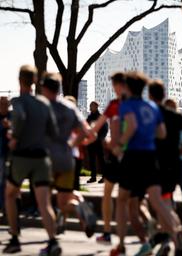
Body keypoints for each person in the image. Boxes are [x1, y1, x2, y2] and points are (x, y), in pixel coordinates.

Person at [110, 72, 182, 256]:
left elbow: (130, 125)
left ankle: (121, 245)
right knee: (159, 201)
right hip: (150, 157)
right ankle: (179, 240)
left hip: (133, 156)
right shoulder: (152, 107)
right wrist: (146, 135)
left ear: (128, 88)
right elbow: (161, 133)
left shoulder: (126, 105)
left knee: (122, 200)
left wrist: (120, 145)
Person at [3, 65, 61, 255]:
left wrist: (15, 136)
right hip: (41, 157)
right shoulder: (44, 103)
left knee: (10, 194)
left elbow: (20, 116)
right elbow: (53, 132)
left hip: (22, 155)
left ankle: (14, 237)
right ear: (35, 81)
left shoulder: (18, 101)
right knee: (44, 203)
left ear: (20, 80)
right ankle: (53, 241)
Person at [134, 80, 182, 255]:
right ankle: (170, 242)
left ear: (150, 96)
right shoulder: (176, 116)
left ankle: (177, 240)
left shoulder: (150, 114)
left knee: (160, 204)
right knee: (165, 204)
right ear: (164, 94)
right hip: (174, 164)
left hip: (157, 164)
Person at [40, 72, 97, 238]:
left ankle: (52, 240)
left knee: (45, 201)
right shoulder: (69, 107)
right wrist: (72, 144)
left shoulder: (42, 107)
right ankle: (80, 210)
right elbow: (88, 134)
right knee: (64, 200)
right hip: (66, 158)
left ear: (44, 88)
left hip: (47, 160)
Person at [93, 72, 146, 245]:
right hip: (139, 156)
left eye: (115, 84)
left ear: (121, 86)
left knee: (112, 193)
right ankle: (149, 230)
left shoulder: (118, 105)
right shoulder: (140, 105)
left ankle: (110, 233)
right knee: (134, 199)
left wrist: (112, 142)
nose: (114, 88)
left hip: (121, 155)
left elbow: (99, 126)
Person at [87, 101, 108, 183]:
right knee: (91, 160)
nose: (90, 107)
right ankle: (93, 177)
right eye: (90, 106)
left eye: (91, 106)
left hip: (98, 142)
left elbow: (105, 129)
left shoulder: (101, 117)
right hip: (90, 142)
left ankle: (104, 177)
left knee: (101, 160)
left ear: (96, 107)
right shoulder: (89, 117)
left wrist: (100, 139)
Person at [0, 97, 10, 212]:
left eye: (5, 105)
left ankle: (4, 207)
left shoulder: (12, 117)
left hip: (8, 154)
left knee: (5, 182)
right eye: (2, 105)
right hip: (2, 153)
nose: (4, 107)